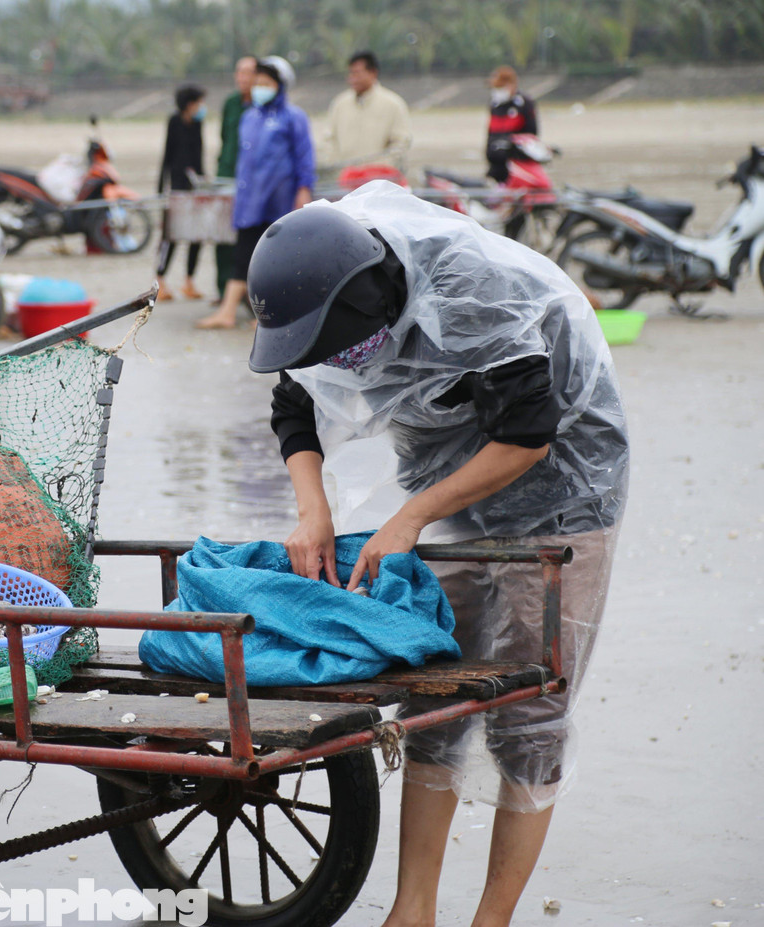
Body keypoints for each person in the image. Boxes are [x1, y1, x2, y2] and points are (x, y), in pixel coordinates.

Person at [249, 182, 628, 927]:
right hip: (439, 469)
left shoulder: (475, 293)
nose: (336, 362)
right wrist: (313, 510)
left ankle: (492, 919)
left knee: (531, 710)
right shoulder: (306, 283)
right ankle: (412, 910)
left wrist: (411, 516)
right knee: (437, 695)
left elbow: (527, 433)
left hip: (565, 483)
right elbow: (295, 404)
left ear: (375, 306)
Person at [195, 56, 314, 330]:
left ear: (281, 85)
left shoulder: (293, 117)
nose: (260, 87)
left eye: (266, 83)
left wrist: (303, 190)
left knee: (279, 258)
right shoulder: (249, 117)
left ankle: (279, 313)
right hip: (251, 200)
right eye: (258, 82)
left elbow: (304, 157)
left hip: (280, 199)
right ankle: (228, 312)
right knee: (243, 255)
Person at [155, 84, 206, 301]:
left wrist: (203, 182)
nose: (202, 107)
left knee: (197, 235)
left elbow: (199, 154)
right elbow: (167, 154)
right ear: (189, 104)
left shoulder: (197, 123)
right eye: (199, 103)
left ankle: (189, 281)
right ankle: (160, 281)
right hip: (176, 187)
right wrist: (161, 187)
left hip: (195, 187)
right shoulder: (174, 121)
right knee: (171, 235)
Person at [324, 51, 412, 171]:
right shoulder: (340, 104)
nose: (353, 79)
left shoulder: (393, 104)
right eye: (351, 73)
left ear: (373, 73)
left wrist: (380, 168)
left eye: (357, 74)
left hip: (380, 181)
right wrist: (337, 166)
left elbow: (400, 143)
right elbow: (330, 140)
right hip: (346, 180)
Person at [214, 55, 255, 302]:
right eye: (239, 72)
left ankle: (246, 292)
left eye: (248, 72)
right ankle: (223, 290)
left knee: (249, 234)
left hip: (251, 179)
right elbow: (223, 136)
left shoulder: (262, 107)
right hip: (226, 173)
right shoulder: (230, 103)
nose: (242, 77)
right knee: (222, 234)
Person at [486, 65, 538, 184]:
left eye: (500, 87)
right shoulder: (494, 105)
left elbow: (531, 135)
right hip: (496, 167)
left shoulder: (525, 104)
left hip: (518, 167)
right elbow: (490, 134)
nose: (497, 91)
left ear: (511, 85)